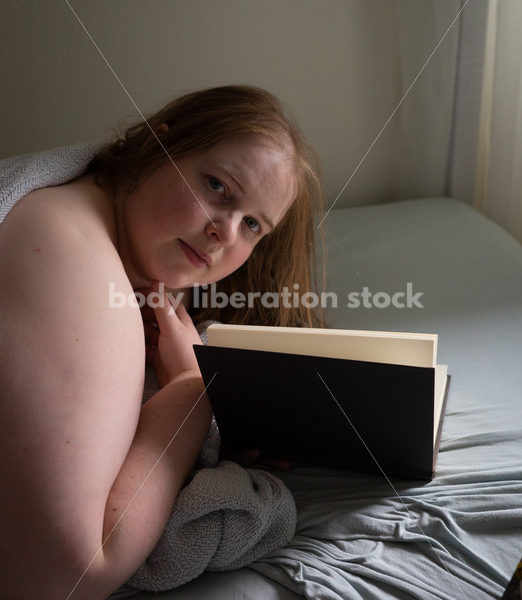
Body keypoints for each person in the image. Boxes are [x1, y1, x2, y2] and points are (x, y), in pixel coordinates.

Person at [0, 85, 324, 599]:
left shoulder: (119, 256)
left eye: (254, 225)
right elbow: (59, 574)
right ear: (159, 145)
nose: (226, 234)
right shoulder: (73, 254)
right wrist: (192, 392)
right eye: (218, 186)